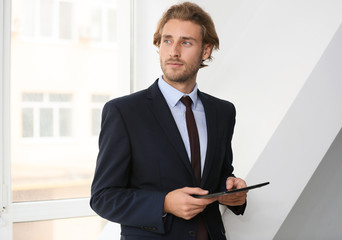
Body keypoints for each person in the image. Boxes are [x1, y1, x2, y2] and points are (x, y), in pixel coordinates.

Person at [90, 2, 247, 240]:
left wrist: (231, 190)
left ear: (205, 51)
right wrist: (163, 203)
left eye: (185, 42)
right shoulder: (124, 112)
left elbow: (220, 175)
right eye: (167, 40)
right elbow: (103, 198)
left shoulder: (223, 112)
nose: (174, 51)